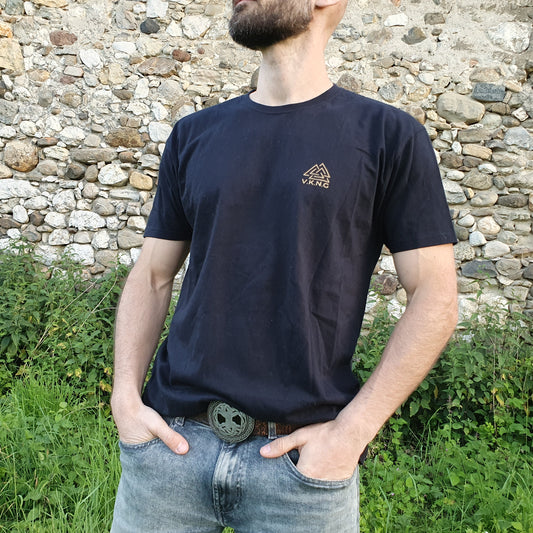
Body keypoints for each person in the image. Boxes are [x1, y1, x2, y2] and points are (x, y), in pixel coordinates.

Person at [110, 0, 458, 531]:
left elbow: (436, 296)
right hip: (172, 451)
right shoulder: (194, 135)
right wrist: (124, 399)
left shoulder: (388, 137)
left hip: (301, 471)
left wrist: (351, 434)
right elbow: (154, 275)